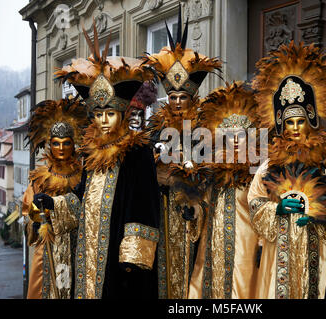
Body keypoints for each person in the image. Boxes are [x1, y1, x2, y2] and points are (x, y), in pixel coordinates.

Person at [33, 23, 161, 299]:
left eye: (110, 114)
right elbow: (81, 199)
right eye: (98, 114)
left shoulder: (137, 152)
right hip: (87, 260)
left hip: (120, 269)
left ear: (123, 114)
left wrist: (132, 263)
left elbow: (145, 209)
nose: (103, 121)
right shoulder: (90, 154)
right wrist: (54, 205)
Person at [247, 42, 326, 298]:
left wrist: (319, 213)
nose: (296, 128)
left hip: (318, 250)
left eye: (301, 121)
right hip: (279, 251)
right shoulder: (269, 166)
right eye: (290, 122)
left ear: (310, 121)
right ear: (282, 125)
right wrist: (274, 209)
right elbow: (254, 201)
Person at [145, 7, 222, 299]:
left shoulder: (207, 128)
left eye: (183, 97)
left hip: (194, 218)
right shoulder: (154, 128)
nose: (177, 102)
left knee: (193, 281)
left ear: (193, 97)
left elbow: (211, 173)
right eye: (173, 96)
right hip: (162, 216)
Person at [187, 81, 262, 299]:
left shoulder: (257, 173)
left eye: (241, 135)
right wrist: (193, 211)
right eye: (230, 137)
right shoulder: (212, 174)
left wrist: (261, 245)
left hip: (245, 253)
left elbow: (264, 209)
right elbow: (203, 208)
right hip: (211, 252)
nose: (236, 142)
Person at [23, 98, 88, 299]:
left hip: (76, 247)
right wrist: (35, 221)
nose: (61, 148)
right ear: (49, 144)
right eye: (56, 144)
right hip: (48, 249)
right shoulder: (39, 179)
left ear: (74, 144)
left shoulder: (83, 175)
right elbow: (29, 213)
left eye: (66, 143)